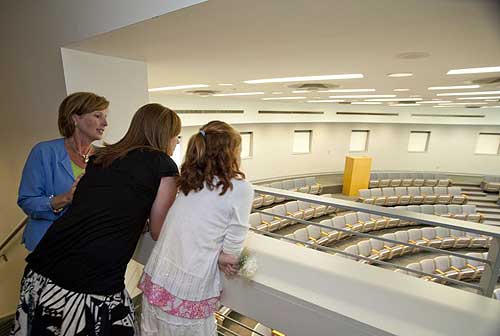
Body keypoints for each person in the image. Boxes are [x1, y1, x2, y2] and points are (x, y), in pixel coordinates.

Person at [11, 103, 181, 336]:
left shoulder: (102, 156)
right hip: (88, 281)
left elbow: (108, 204)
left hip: (43, 266)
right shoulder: (162, 164)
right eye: (176, 137)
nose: (177, 143)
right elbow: (159, 231)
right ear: (166, 135)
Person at [139, 120, 254, 336]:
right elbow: (233, 251)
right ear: (230, 153)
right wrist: (225, 257)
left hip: (158, 282)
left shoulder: (191, 182)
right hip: (187, 291)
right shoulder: (240, 188)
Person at [17, 91, 110, 251]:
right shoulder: (44, 152)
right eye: (98, 116)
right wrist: (66, 198)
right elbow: (28, 201)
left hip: (92, 247)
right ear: (75, 118)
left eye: (105, 117)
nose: (105, 123)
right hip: (50, 247)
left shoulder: (106, 157)